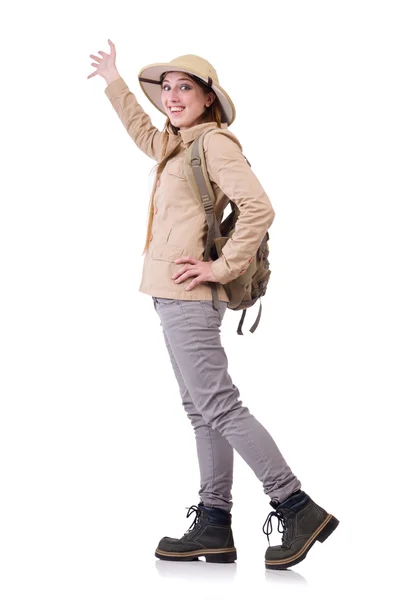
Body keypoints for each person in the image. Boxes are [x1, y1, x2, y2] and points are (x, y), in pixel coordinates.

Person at [87, 40, 339, 569]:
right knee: (201, 410)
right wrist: (114, 79)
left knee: (219, 406)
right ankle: (214, 522)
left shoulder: (214, 144)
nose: (173, 97)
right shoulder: (173, 145)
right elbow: (139, 129)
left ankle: (295, 505)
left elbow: (259, 209)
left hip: (190, 297)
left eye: (186, 89)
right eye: (168, 89)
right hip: (168, 294)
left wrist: (220, 269)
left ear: (208, 100)